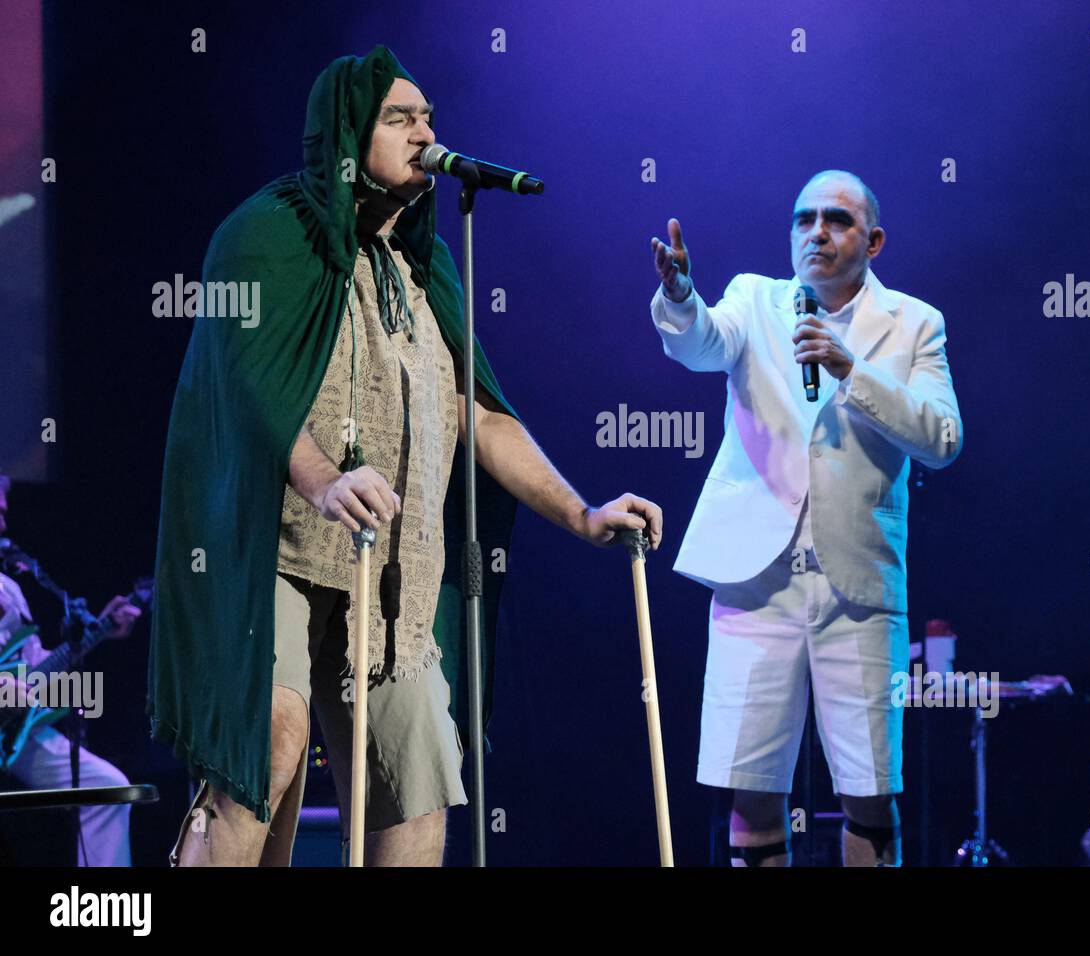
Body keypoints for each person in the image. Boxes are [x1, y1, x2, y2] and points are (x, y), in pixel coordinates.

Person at [149, 46, 663, 867]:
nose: (426, 132)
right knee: (268, 748)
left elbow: (481, 416)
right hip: (271, 549)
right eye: (401, 118)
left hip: (395, 574)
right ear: (349, 133)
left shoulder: (425, 270)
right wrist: (321, 482)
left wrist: (584, 513)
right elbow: (245, 390)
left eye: (429, 117)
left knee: (420, 778)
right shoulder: (266, 234)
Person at [649, 171, 962, 866]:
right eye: (803, 219)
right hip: (757, 581)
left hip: (858, 586)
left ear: (873, 240)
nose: (815, 231)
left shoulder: (914, 322)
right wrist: (678, 296)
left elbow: (943, 438)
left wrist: (854, 370)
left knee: (870, 790)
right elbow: (702, 343)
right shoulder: (754, 300)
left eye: (837, 220)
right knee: (751, 787)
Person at [0, 471, 142, 866]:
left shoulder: (8, 588)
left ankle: (99, 911)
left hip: (13, 731)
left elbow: (31, 669)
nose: (4, 523)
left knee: (108, 790)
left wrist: (98, 631)